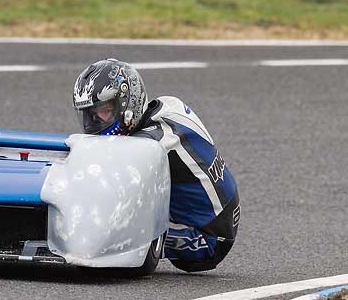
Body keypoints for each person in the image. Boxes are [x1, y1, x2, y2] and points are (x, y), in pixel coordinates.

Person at [72, 58, 240, 272]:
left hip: (209, 237)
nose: (94, 123)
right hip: (215, 210)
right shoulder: (167, 106)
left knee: (106, 241)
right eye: (88, 115)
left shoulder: (153, 142)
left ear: (126, 103)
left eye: (103, 111)